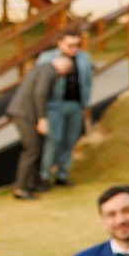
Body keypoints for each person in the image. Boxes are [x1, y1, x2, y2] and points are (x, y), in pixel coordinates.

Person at [36, 28, 94, 187]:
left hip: (76, 105)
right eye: (70, 45)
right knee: (55, 139)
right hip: (54, 106)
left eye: (76, 45)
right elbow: (40, 84)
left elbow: (88, 80)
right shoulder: (47, 58)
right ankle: (45, 176)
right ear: (60, 43)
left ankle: (62, 174)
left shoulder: (84, 57)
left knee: (70, 141)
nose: (74, 49)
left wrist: (86, 102)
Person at [7, 50, 68, 201]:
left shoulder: (43, 68)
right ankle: (21, 188)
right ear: (63, 68)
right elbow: (40, 93)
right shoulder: (50, 71)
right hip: (25, 114)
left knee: (37, 147)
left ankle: (33, 183)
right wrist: (42, 119)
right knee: (32, 149)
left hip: (25, 113)